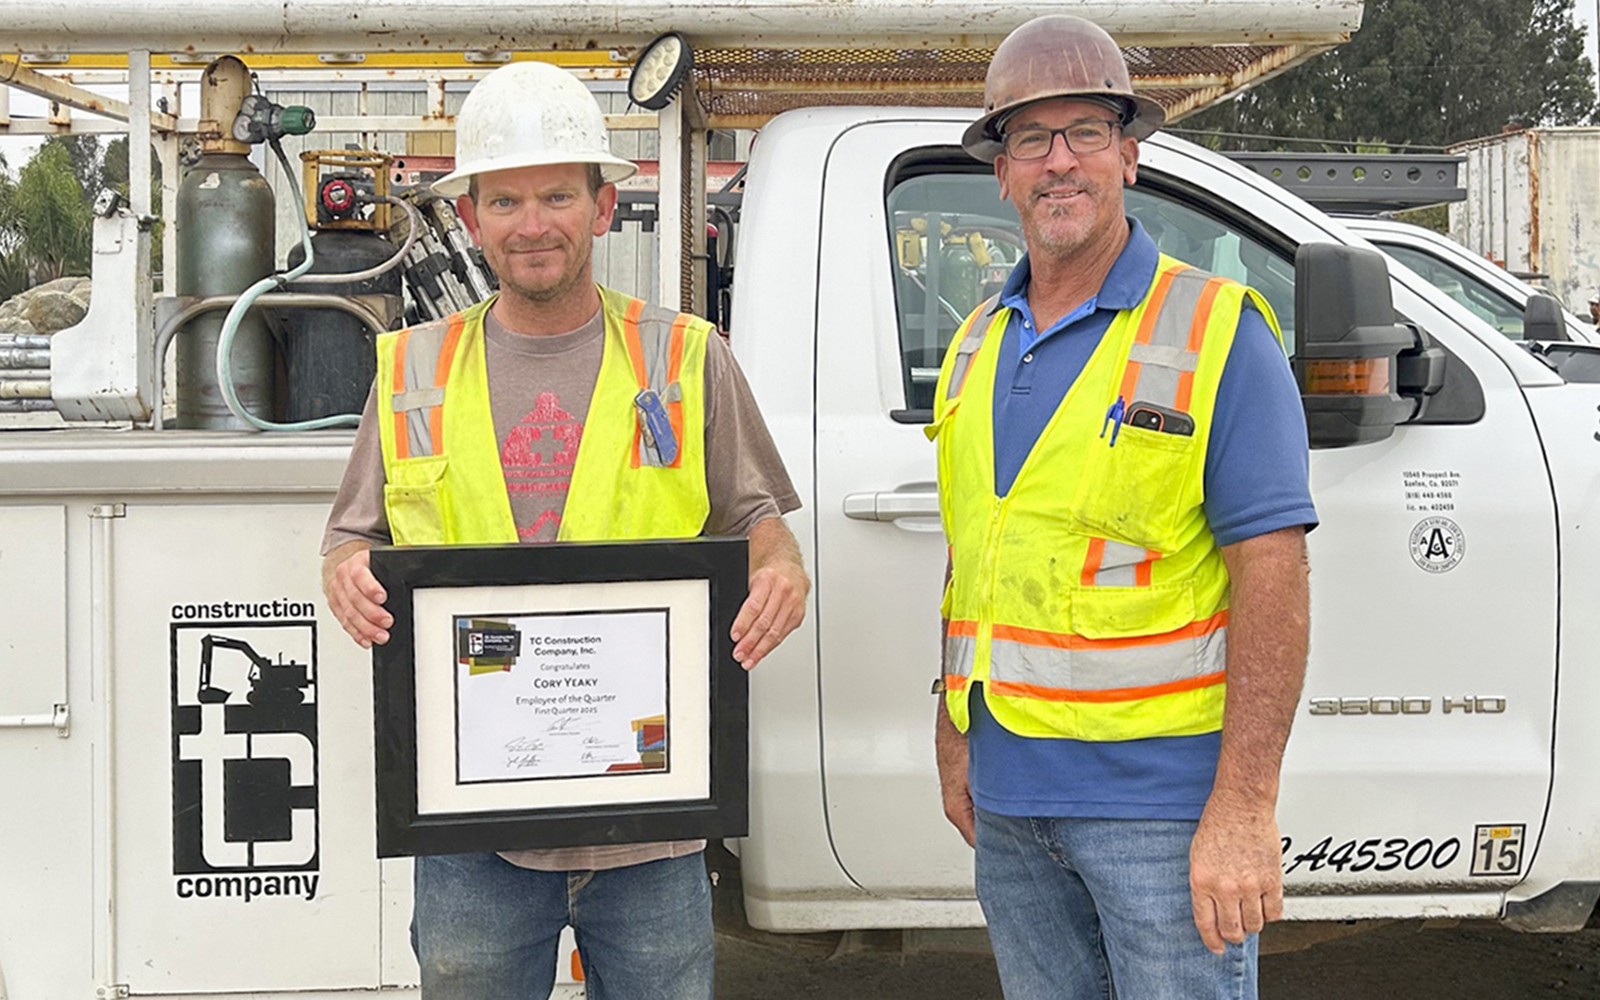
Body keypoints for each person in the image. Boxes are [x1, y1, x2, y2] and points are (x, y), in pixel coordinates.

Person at [320, 60, 809, 999]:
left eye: (555, 195)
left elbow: (758, 523)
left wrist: (782, 567)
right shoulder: (413, 369)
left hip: (651, 824)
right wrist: (346, 571)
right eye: (504, 201)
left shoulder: (686, 356)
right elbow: (352, 538)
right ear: (470, 219)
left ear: (601, 204)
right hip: (473, 831)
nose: (531, 223)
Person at [928, 15, 1316, 1000]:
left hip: (1161, 813)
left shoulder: (1216, 331)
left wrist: (1241, 806)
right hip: (1011, 806)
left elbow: (1272, 577)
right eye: (1030, 139)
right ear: (1001, 171)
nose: (1059, 162)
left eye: (1086, 134)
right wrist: (951, 723)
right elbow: (976, 550)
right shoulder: (976, 344)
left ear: (1129, 157)